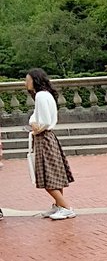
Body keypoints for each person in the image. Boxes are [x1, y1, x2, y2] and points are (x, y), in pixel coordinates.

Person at [26, 68, 76, 219]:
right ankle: (59, 205)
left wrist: (36, 130)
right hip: (49, 138)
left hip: (44, 138)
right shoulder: (45, 94)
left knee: (47, 177)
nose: (25, 83)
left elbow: (46, 121)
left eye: (27, 80)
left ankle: (66, 207)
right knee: (53, 175)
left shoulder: (41, 95)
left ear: (35, 80)